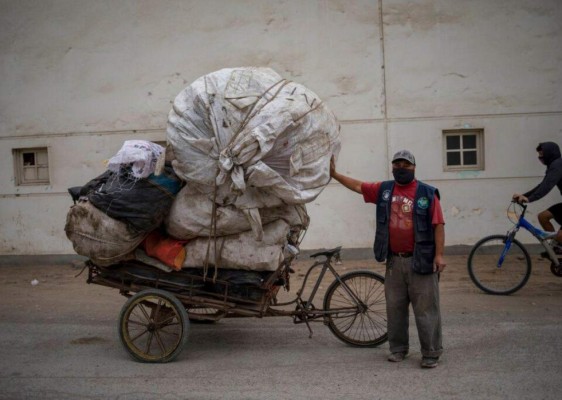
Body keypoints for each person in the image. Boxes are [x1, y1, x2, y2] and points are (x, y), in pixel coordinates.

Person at [330, 150, 446, 368]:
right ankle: (398, 349)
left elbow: (438, 225)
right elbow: (358, 186)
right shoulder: (384, 190)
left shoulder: (427, 193)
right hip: (394, 261)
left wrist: (439, 255)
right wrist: (334, 174)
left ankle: (431, 352)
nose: (401, 168)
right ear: (392, 167)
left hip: (421, 260)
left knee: (426, 309)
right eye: (397, 164)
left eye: (405, 165)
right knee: (395, 308)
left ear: (414, 167)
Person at [512, 142, 562, 255]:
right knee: (543, 217)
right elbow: (542, 185)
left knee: (560, 236)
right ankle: (556, 247)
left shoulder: (558, 166)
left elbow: (547, 187)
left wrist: (529, 199)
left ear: (549, 154)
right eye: (539, 155)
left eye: (542, 154)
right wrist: (524, 195)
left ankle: (559, 244)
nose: (540, 158)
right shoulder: (553, 166)